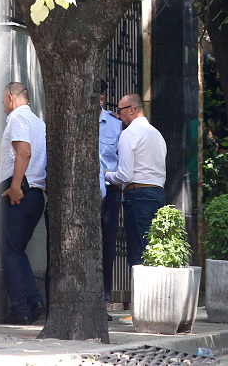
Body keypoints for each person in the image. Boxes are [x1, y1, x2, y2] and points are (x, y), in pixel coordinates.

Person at [104, 93, 166, 324]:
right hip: (157, 193)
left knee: (138, 253)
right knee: (152, 252)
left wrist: (104, 175)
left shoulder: (129, 134)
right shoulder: (156, 134)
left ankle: (141, 310)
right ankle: (153, 307)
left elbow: (124, 174)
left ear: (131, 110)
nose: (117, 115)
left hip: (138, 194)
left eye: (119, 110)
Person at [0, 82, 47, 325]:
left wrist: (15, 186)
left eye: (2, 102)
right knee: (17, 252)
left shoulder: (17, 118)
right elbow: (14, 155)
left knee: (10, 253)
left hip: (19, 192)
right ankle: (34, 301)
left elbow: (24, 153)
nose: (3, 108)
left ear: (10, 97)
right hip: (35, 194)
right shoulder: (38, 122)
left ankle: (21, 310)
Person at [98, 80, 123, 321]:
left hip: (109, 193)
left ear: (102, 99)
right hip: (80, 194)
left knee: (107, 247)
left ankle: (102, 302)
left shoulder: (116, 126)